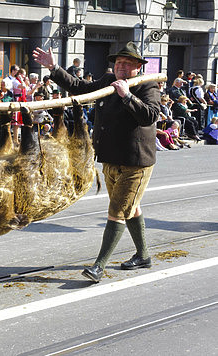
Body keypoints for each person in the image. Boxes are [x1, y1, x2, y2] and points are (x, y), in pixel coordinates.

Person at [33, 42, 160, 283]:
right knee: (130, 207)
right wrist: (54, 67)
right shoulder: (107, 79)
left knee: (117, 211)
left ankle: (98, 266)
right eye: (118, 63)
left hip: (136, 162)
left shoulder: (146, 84)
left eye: (127, 63)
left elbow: (150, 116)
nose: (121, 67)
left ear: (137, 67)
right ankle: (143, 256)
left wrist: (127, 95)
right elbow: (80, 88)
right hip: (110, 158)